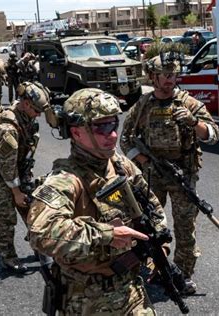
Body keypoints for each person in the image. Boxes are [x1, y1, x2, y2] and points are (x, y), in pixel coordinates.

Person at [28, 88, 164, 315]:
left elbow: (153, 208)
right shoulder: (65, 180)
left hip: (131, 291)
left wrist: (160, 248)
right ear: (77, 133)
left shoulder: (121, 166)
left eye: (114, 125)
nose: (112, 135)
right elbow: (41, 232)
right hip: (88, 300)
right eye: (101, 127)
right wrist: (107, 234)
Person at [120, 51, 219, 294]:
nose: (170, 80)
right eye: (165, 75)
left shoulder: (189, 104)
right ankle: (155, 267)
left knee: (185, 228)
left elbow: (214, 135)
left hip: (182, 175)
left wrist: (194, 123)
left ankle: (183, 274)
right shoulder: (143, 105)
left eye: (173, 75)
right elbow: (125, 138)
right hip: (152, 176)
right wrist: (142, 159)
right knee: (150, 227)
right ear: (153, 77)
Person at [0, 81, 50, 272]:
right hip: (2, 176)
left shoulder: (26, 117)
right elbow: (6, 166)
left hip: (20, 170)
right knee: (6, 218)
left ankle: (40, 247)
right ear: (26, 104)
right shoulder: (8, 128)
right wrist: (16, 192)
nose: (38, 115)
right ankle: (8, 257)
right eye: (36, 110)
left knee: (32, 209)